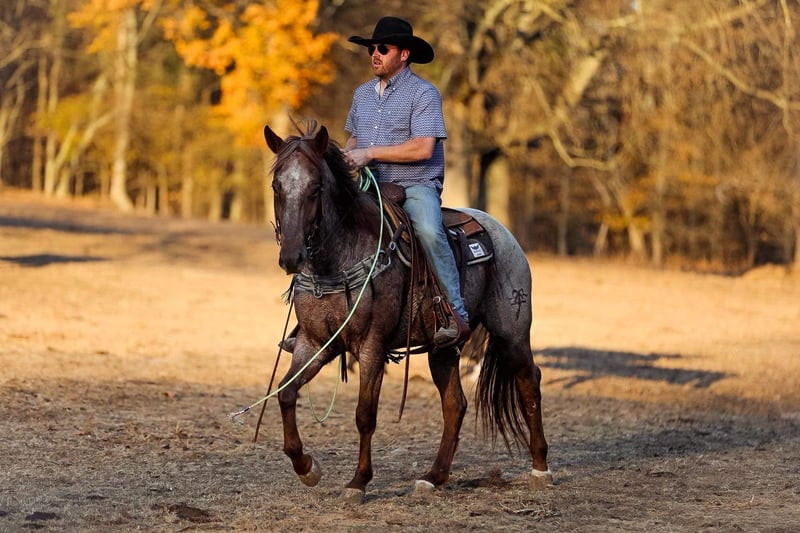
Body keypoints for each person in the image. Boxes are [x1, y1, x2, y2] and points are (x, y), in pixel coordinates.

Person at [343, 16, 469, 347]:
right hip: (369, 186)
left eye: (383, 48)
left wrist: (370, 153)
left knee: (428, 230)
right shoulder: (361, 94)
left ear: (404, 54)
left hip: (415, 185)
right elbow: (355, 139)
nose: (375, 54)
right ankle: (319, 316)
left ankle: (455, 314)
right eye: (371, 48)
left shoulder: (424, 94)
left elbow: (423, 148)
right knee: (329, 223)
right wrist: (344, 156)